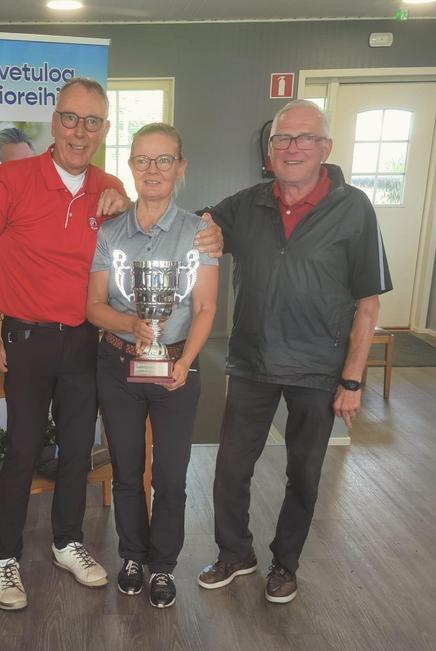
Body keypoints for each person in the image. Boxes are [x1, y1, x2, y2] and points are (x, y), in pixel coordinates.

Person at [197, 100, 392, 604]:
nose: (292, 147)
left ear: (325, 148)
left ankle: (286, 563)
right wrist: (205, 228)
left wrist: (352, 380)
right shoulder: (248, 204)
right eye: (282, 138)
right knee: (231, 467)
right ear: (270, 150)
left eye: (305, 138)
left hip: (318, 367)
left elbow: (368, 304)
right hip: (253, 361)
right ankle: (234, 553)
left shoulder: (354, 209)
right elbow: (197, 224)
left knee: (302, 473)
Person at [0, 77, 132, 611]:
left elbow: (135, 252)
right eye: (71, 118)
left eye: (92, 121)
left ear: (104, 129)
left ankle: (66, 542)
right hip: (26, 339)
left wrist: (127, 207)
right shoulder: (11, 178)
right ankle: (5, 557)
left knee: (77, 450)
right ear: (55, 123)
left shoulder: (109, 186)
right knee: (23, 450)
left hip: (85, 340)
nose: (80, 131)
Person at [87, 123, 218, 608]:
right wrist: (130, 323)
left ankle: (163, 565)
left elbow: (205, 308)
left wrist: (186, 361)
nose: (153, 169)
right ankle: (132, 556)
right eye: (143, 159)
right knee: (126, 469)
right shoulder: (110, 232)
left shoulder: (200, 233)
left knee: (171, 475)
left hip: (177, 366)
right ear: (130, 166)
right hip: (117, 365)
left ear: (180, 167)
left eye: (164, 159)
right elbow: (93, 307)